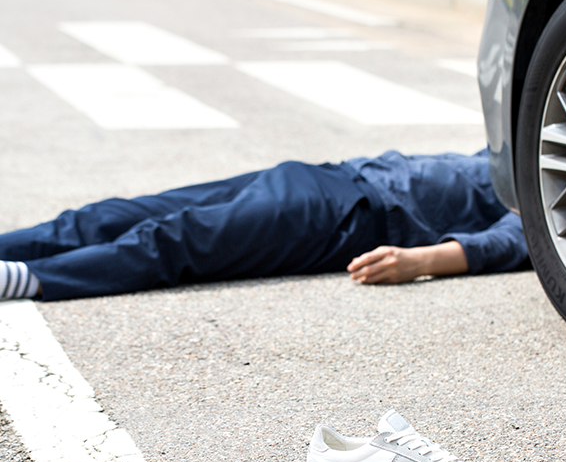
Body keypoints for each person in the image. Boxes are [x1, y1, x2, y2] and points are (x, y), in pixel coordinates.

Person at [0, 148, 530, 302]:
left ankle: (26, 279)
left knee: (176, 240)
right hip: (326, 175)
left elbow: (512, 242)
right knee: (115, 214)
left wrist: (421, 260)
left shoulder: (558, 202)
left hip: (346, 217)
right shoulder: (540, 139)